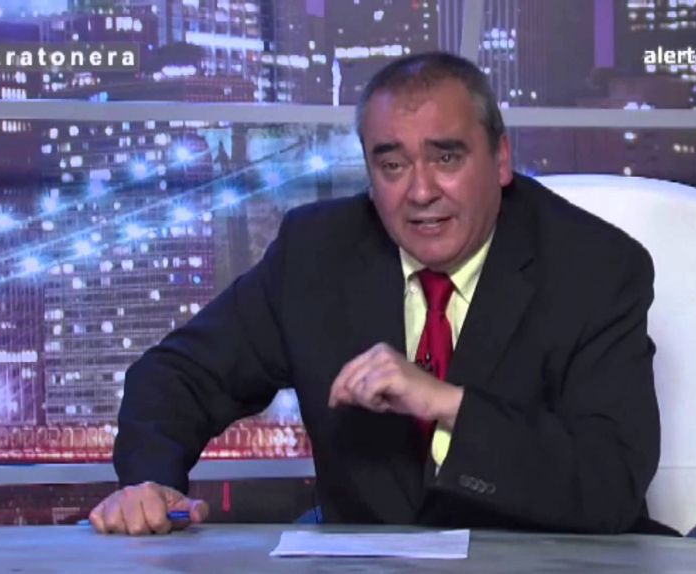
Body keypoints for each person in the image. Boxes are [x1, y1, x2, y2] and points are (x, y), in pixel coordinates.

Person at [89, 51, 663, 536]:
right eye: (392, 164)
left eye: (446, 157)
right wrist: (151, 484)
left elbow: (610, 483)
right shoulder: (315, 253)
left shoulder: (597, 269)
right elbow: (178, 376)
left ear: (501, 159)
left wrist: (447, 404)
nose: (420, 191)